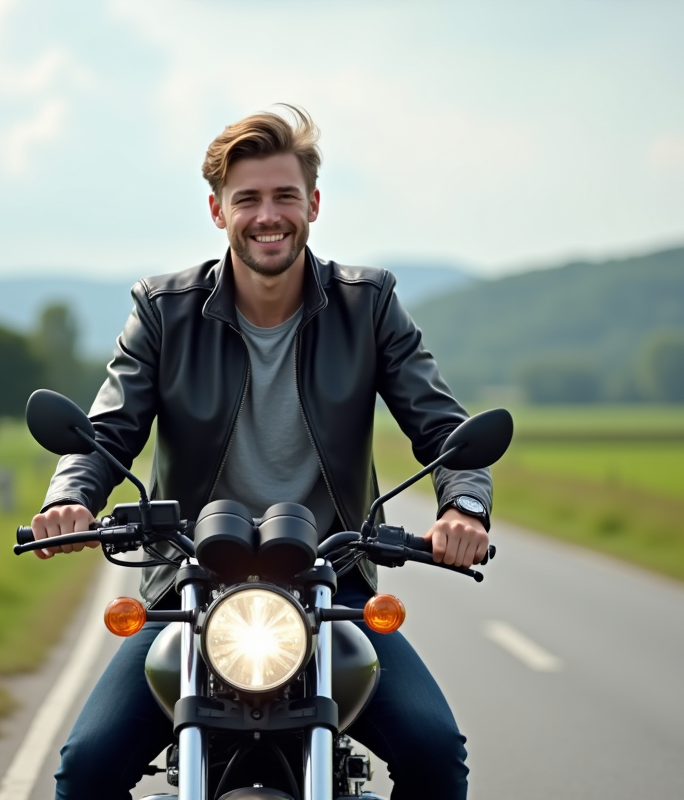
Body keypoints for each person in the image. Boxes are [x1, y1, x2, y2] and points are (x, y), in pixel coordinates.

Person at [31, 105, 492, 800]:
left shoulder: (368, 305)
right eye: (247, 199)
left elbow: (443, 427)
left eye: (283, 196)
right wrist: (70, 496)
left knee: (435, 752)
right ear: (218, 211)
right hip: (189, 588)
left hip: (331, 585)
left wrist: (463, 506)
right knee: (86, 769)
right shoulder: (164, 310)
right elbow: (107, 432)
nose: (267, 215)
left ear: (313, 202)